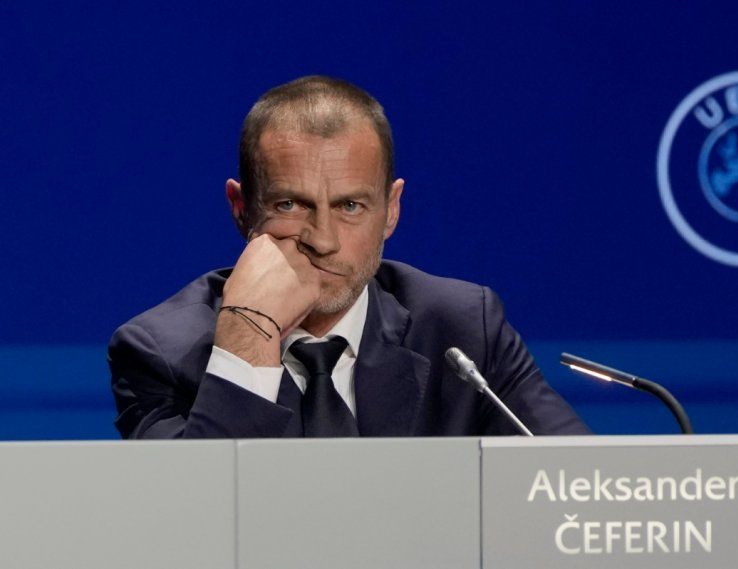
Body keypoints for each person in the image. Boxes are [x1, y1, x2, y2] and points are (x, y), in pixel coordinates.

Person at [109, 76, 589, 438]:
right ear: (241, 208)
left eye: (350, 206)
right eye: (290, 205)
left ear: (392, 210)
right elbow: (191, 528)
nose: (323, 239)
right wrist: (246, 339)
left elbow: (584, 491)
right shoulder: (159, 351)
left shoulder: (462, 329)